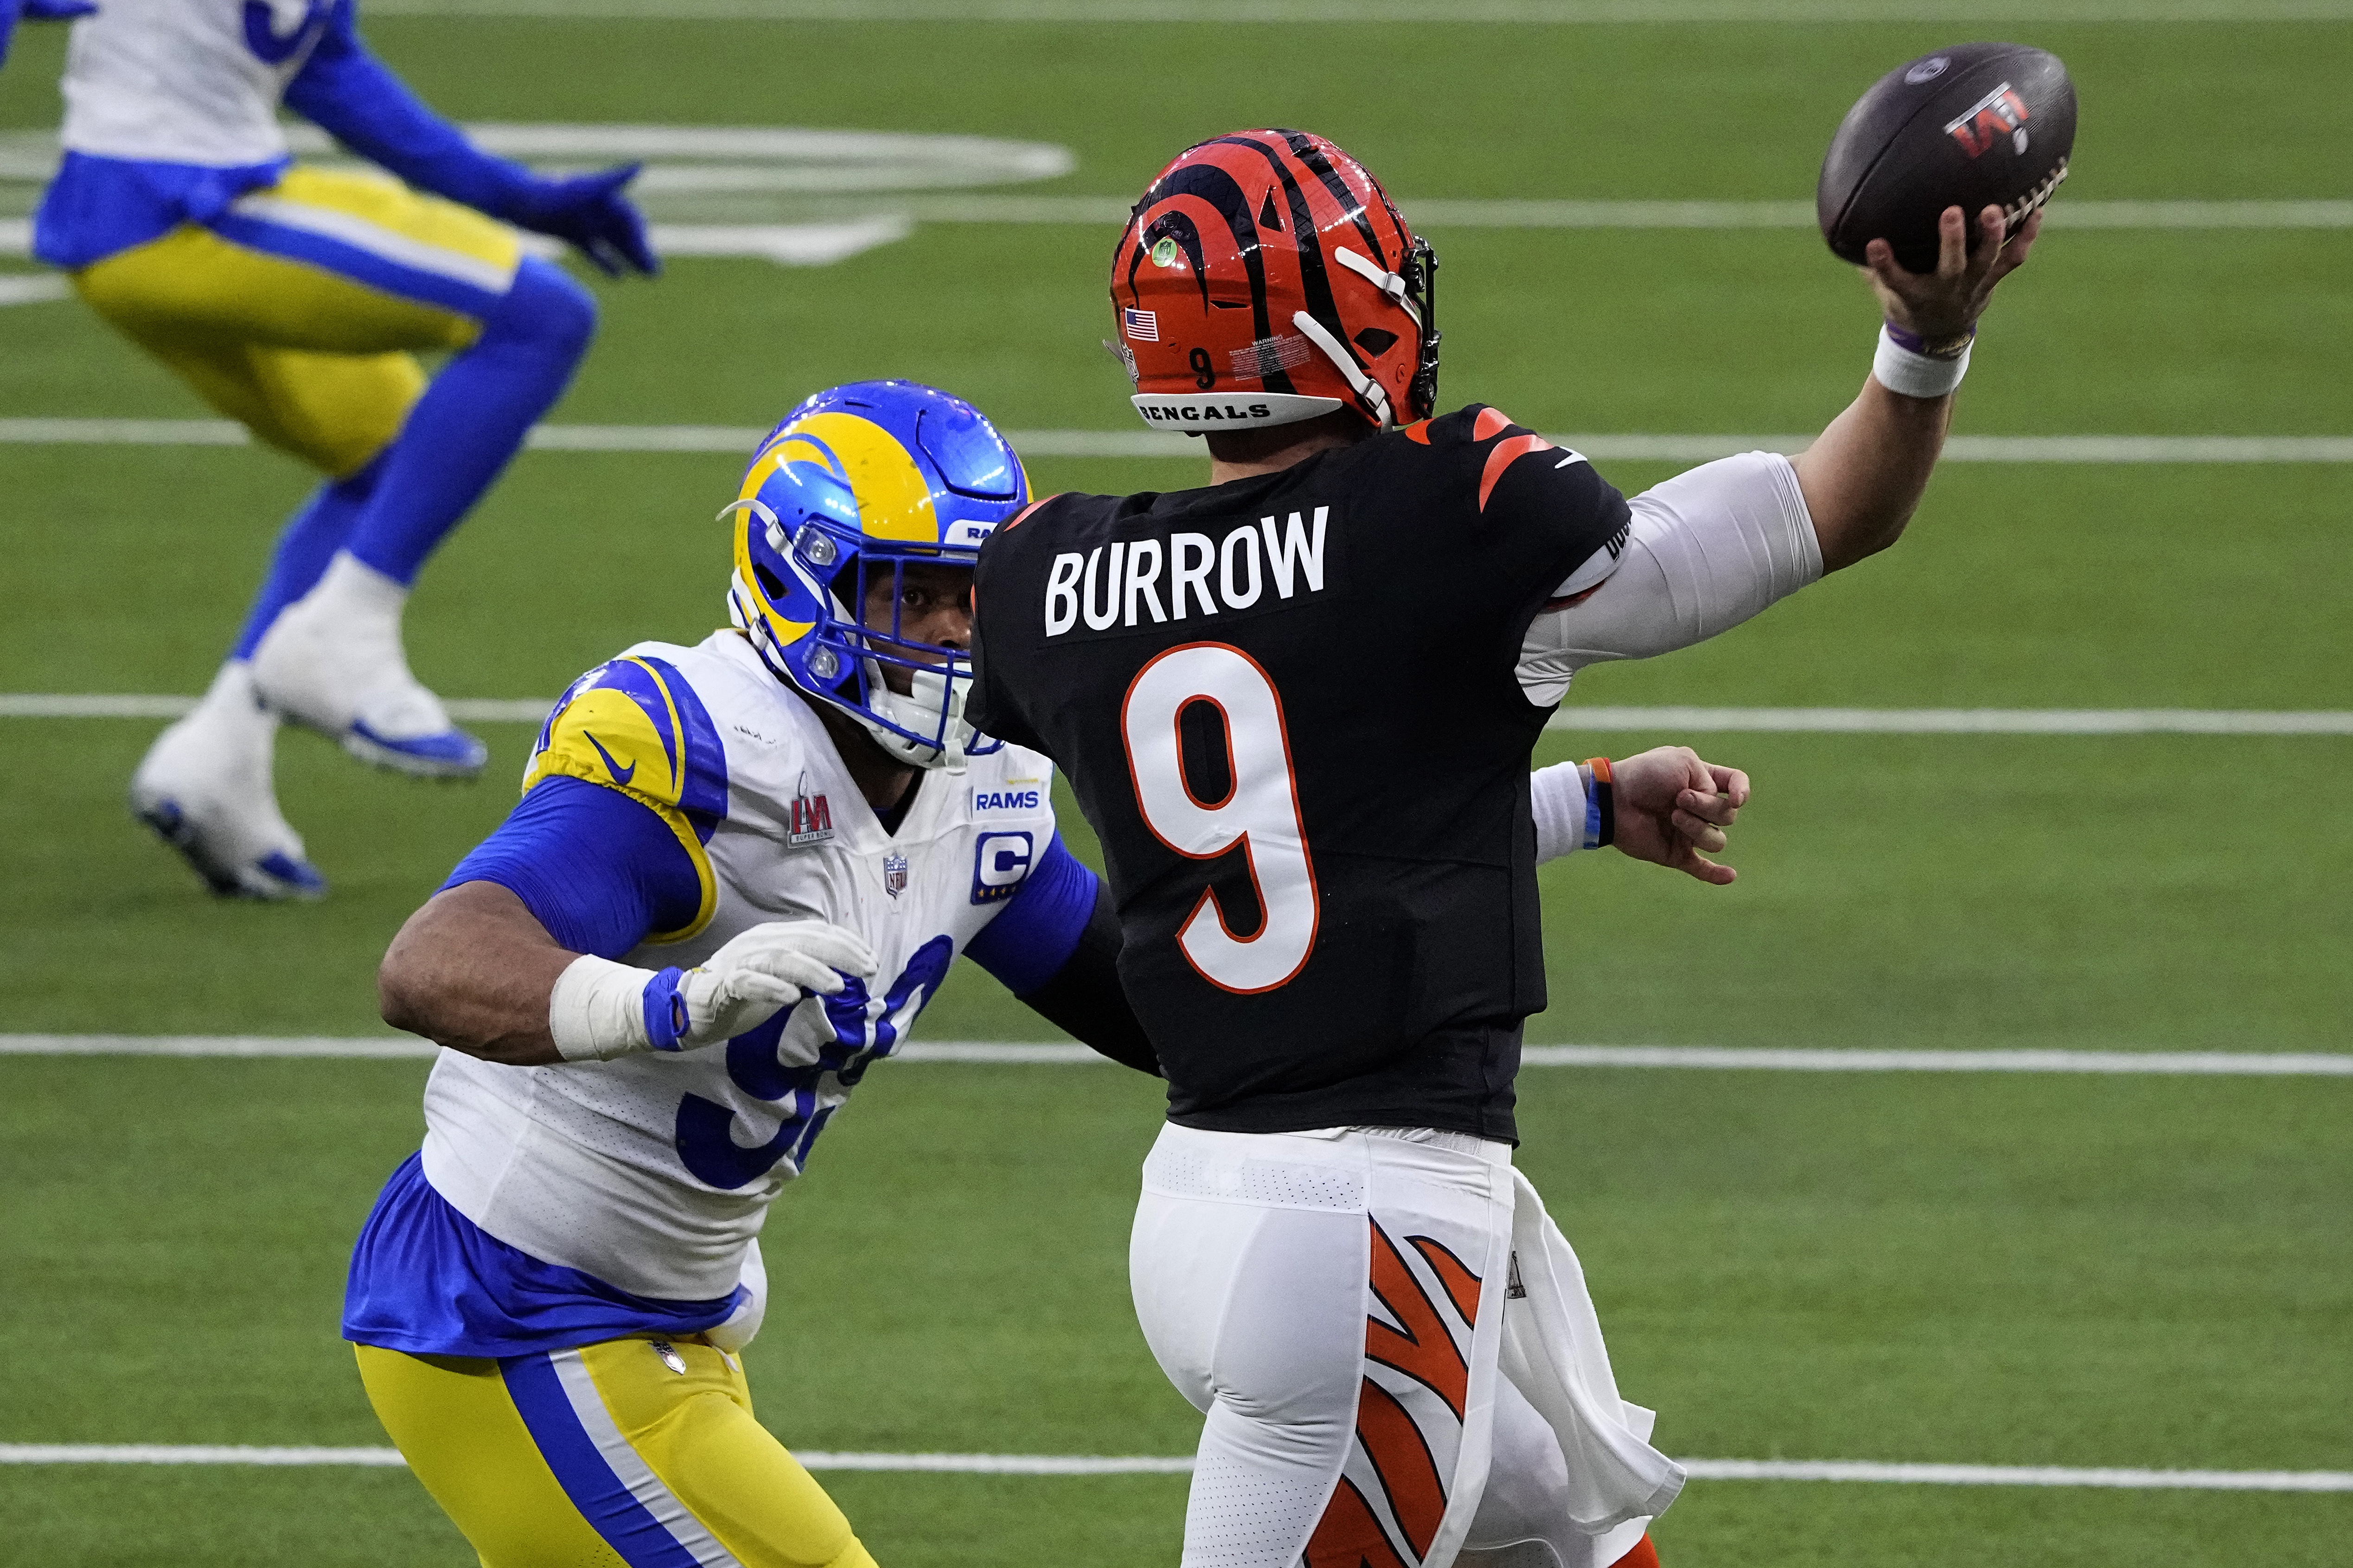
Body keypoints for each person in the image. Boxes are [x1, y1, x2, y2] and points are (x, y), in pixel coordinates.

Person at [967, 128, 2044, 1568]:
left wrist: (1586, 802)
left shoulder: (1054, 575)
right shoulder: (1451, 504)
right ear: (1337, 311)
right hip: (1366, 1231)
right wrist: (1925, 341)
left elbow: (1299, 846)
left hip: (1201, 1211)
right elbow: (1824, 513)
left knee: (1572, 1537)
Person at [340, 382, 1174, 1568]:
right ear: (804, 581)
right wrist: (668, 1001)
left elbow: (1156, 1010)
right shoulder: (703, 749)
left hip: (672, 1316)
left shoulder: (982, 787)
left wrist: (1416, 905)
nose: (949, 631)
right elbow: (431, 962)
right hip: (515, 1303)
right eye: (912, 592)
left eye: (970, 594)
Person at [15, 0, 655, 899]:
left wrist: (522, 198)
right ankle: (343, 628)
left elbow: (326, 71)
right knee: (539, 316)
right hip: (180, 207)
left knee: (400, 458)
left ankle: (219, 759)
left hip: (145, 225)